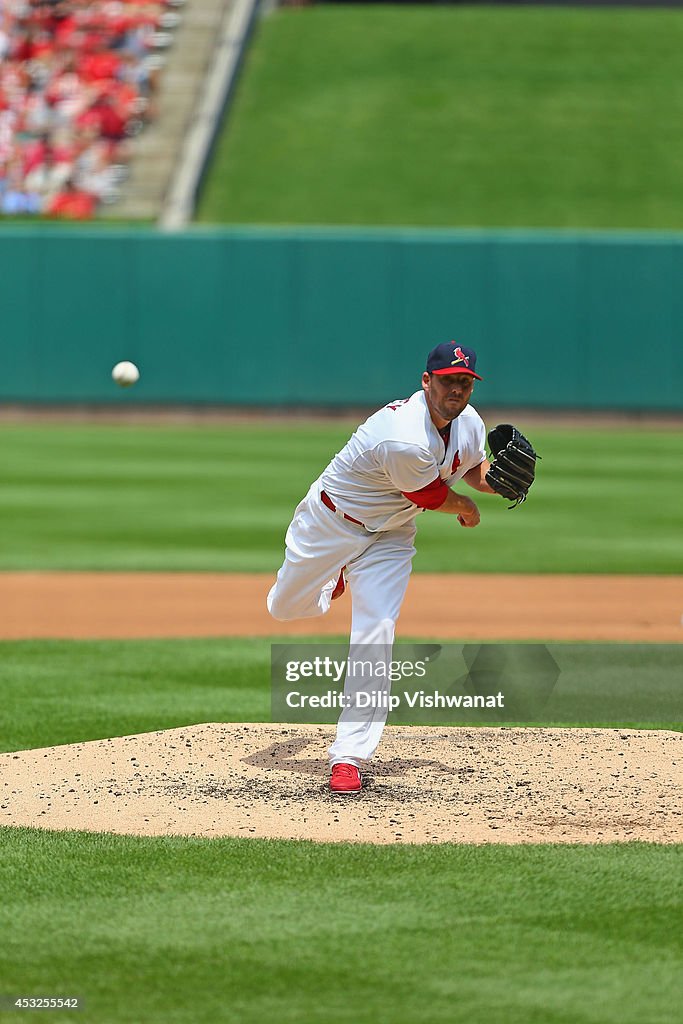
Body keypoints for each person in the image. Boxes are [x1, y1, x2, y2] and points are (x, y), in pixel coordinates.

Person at [267, 340, 501, 794]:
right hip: (330, 524)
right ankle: (334, 575)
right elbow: (433, 496)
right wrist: (470, 508)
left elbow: (472, 469)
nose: (458, 389)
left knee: (377, 630)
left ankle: (348, 756)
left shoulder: (469, 422)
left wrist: (502, 484)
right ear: (426, 381)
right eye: (450, 380)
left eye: (466, 381)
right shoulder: (401, 435)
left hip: (390, 536)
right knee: (284, 607)